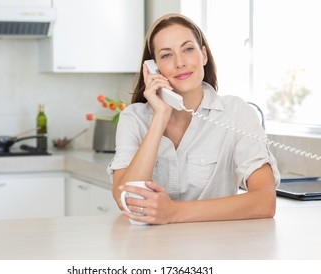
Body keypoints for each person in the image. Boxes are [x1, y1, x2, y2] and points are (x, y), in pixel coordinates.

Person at [107, 13, 280, 225]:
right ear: (152, 68)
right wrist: (160, 116)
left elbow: (264, 201)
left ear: (204, 55)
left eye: (188, 49)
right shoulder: (133, 119)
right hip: (151, 251)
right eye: (166, 55)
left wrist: (174, 212)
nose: (180, 63)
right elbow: (127, 200)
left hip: (215, 250)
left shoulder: (236, 113)